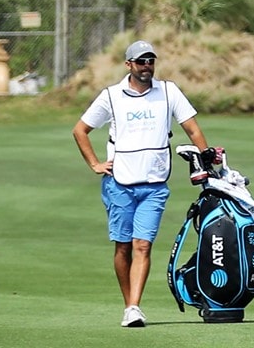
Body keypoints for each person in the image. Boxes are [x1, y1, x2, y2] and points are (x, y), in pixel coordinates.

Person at [73, 40, 209, 327]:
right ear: (129, 65)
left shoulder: (169, 91)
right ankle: (128, 304)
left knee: (142, 246)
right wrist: (95, 164)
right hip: (119, 183)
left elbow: (192, 127)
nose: (146, 66)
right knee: (123, 247)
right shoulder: (111, 96)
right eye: (140, 61)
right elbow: (81, 130)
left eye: (150, 61)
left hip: (154, 184)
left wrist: (206, 161)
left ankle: (134, 307)